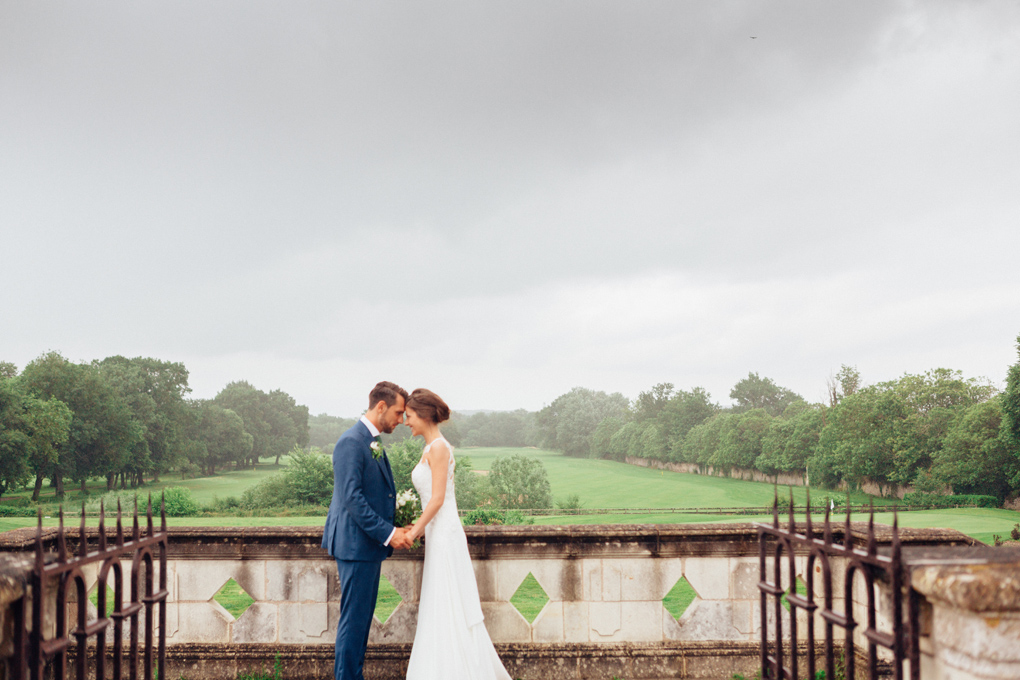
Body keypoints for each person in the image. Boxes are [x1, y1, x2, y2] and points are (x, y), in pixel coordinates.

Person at [402, 388, 512, 680]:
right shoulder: (429, 448)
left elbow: (437, 499)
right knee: (440, 600)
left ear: (424, 415)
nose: (405, 422)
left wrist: (413, 531)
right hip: (437, 533)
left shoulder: (438, 447)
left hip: (445, 534)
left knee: (448, 599)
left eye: (409, 416)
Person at [322, 381, 415, 680]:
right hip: (355, 545)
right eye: (399, 413)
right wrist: (389, 533)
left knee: (360, 622)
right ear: (381, 407)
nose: (400, 421)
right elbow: (352, 499)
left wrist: (397, 522)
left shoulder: (370, 440)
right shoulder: (351, 441)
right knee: (354, 622)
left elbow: (378, 494)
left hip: (365, 547)